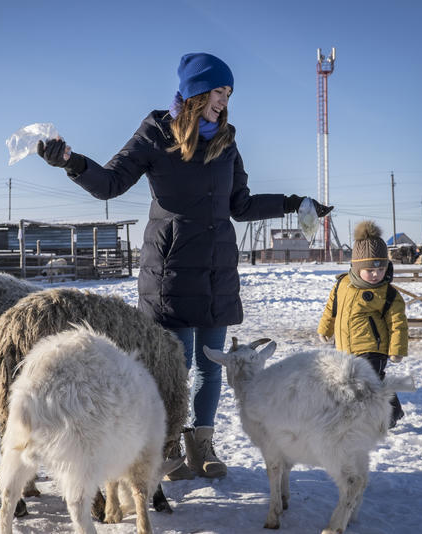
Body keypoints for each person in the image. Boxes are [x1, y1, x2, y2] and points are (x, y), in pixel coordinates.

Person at [36, 52, 332, 479]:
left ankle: (203, 443)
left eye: (228, 93)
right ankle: (169, 441)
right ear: (196, 91)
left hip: (216, 270)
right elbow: (111, 183)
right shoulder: (156, 131)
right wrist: (71, 162)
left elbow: (241, 205)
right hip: (170, 271)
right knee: (174, 366)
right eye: (218, 91)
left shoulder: (227, 140)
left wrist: (292, 204)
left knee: (212, 366)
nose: (224, 100)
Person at [317, 220, 408, 427]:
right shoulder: (342, 284)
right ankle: (393, 410)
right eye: (370, 270)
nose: (376, 275)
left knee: (370, 382)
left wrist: (397, 350)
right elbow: (332, 307)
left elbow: (398, 324)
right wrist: (325, 328)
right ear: (357, 268)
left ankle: (386, 416)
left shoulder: (388, 294)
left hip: (373, 347)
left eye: (381, 269)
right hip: (344, 346)